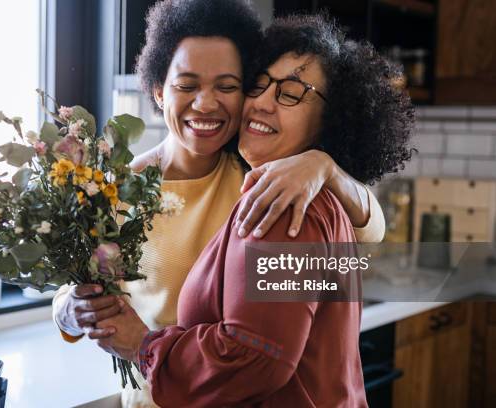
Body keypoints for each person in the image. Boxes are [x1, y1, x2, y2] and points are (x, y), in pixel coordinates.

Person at [53, 1, 387, 406]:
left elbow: (369, 230)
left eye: (227, 86)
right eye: (187, 85)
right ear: (159, 91)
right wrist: (69, 312)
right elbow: (82, 283)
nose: (206, 103)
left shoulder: (268, 178)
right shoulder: (118, 189)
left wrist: (324, 166)